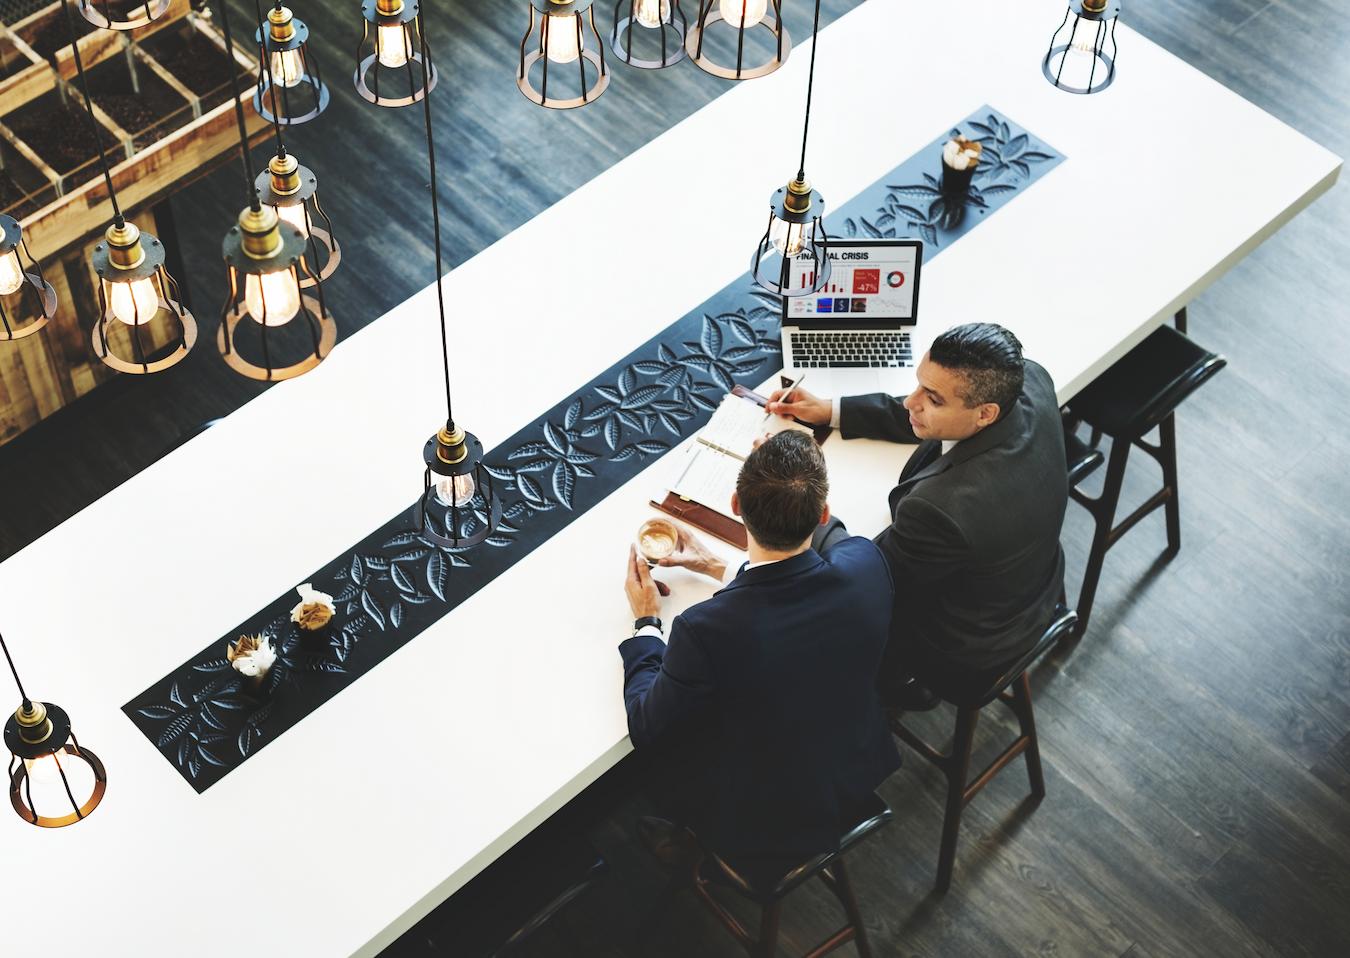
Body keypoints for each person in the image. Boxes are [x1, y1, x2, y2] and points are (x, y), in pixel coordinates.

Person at [619, 431, 900, 889]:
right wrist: (716, 566)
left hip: (762, 812)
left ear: (734, 504)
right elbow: (804, 577)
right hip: (852, 764)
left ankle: (690, 838)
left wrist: (647, 623)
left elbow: (647, 727)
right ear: (824, 513)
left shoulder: (705, 628)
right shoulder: (865, 562)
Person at [766, 322, 1068, 706]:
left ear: (985, 414)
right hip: (1032, 580)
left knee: (805, 633)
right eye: (919, 384)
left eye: (933, 399)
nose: (911, 401)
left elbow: (865, 577)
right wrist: (832, 411)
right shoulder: (1029, 381)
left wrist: (798, 495)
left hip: (964, 645)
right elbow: (932, 410)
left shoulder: (943, 508)